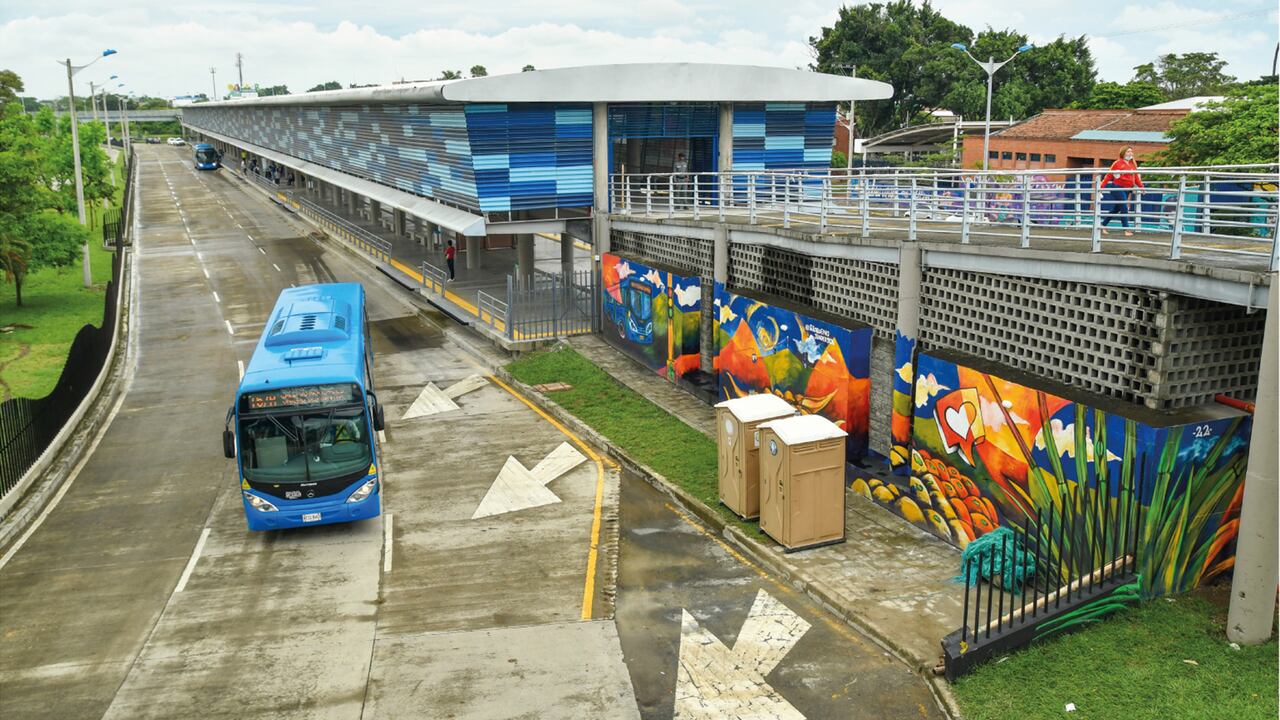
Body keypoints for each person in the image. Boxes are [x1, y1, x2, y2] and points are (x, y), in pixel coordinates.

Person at [1099, 146, 1143, 237]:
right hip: (1117, 188)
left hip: (1127, 189)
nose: (1130, 153)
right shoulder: (1117, 163)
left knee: (1116, 209)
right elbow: (1108, 176)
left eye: (1131, 152)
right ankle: (1126, 229)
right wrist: (1100, 187)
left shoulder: (1132, 164)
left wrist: (1142, 187)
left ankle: (1102, 225)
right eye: (1128, 152)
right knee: (1124, 207)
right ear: (1123, 153)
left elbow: (1135, 178)